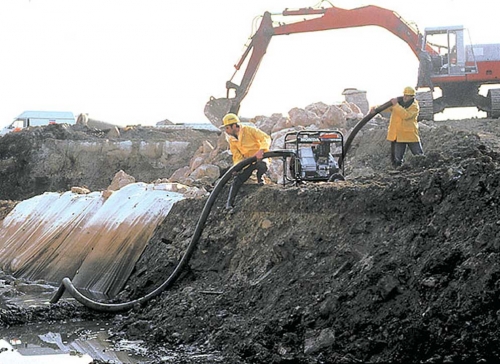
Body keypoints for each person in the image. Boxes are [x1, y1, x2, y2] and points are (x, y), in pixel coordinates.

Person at [221, 113, 271, 209]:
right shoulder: (232, 140)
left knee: (262, 165)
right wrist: (237, 167)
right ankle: (229, 204)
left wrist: (262, 150)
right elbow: (237, 156)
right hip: (248, 162)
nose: (226, 130)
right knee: (237, 180)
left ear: (234, 126)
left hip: (260, 158)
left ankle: (260, 177)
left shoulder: (249, 130)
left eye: (227, 128)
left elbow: (266, 138)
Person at [385, 86, 424, 167]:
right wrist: (374, 109)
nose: (405, 97)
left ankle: (423, 167)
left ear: (412, 96)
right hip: (398, 135)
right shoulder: (398, 104)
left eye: (408, 96)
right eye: (405, 95)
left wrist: (396, 105)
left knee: (419, 155)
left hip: (409, 134)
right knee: (397, 158)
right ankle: (397, 170)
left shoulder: (414, 106)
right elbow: (386, 108)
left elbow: (405, 115)